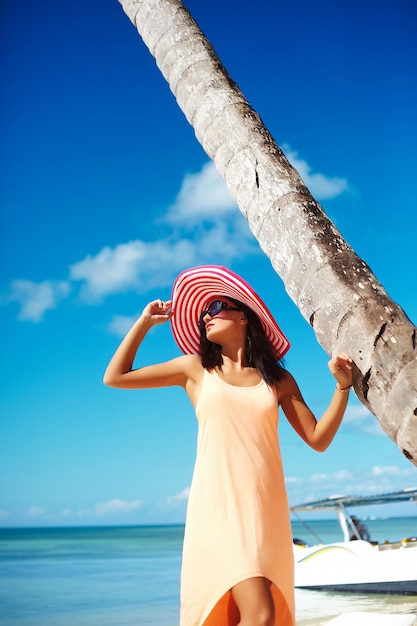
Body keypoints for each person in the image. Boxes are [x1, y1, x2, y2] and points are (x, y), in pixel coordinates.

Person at [104, 265, 353, 626]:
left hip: (266, 511)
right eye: (205, 311)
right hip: (219, 508)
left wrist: (342, 388)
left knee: (242, 615)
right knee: (261, 614)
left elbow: (318, 439)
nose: (207, 314)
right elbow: (116, 377)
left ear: (244, 318)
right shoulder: (194, 370)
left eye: (217, 307)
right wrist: (143, 323)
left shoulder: (278, 380)